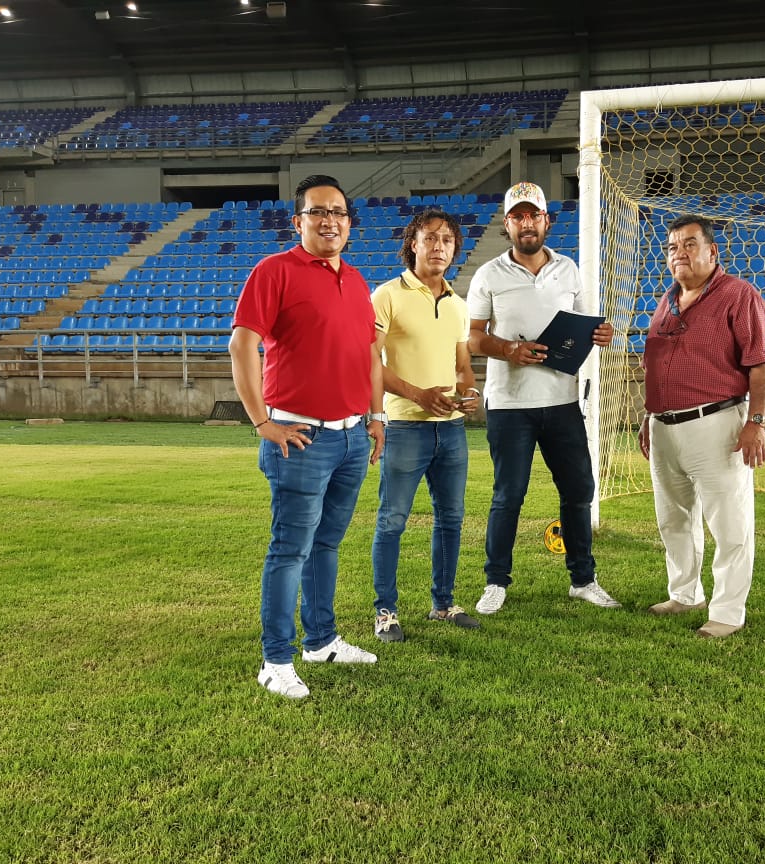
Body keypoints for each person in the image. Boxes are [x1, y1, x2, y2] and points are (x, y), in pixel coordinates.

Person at [230, 174, 388, 699]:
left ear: (349, 223)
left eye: (339, 212)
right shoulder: (274, 271)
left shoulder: (358, 279)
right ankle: (276, 659)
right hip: (300, 438)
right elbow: (241, 346)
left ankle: (321, 640)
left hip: (349, 439)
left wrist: (375, 416)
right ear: (297, 221)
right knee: (289, 550)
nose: (329, 220)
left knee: (327, 545)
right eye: (318, 212)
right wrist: (262, 422)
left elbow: (368, 354)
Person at [466, 181, 619, 615]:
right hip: (511, 404)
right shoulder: (488, 274)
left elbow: (589, 325)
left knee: (578, 491)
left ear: (547, 220)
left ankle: (583, 579)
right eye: (517, 216)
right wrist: (510, 350)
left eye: (533, 214)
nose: (526, 222)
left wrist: (600, 334)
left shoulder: (569, 270)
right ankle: (496, 581)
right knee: (507, 495)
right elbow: (473, 339)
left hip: (562, 401)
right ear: (507, 224)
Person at [638, 214, 765, 639]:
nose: (679, 253)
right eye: (672, 248)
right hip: (664, 427)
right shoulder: (666, 302)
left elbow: (762, 363)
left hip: (716, 422)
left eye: (689, 244)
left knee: (730, 524)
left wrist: (755, 422)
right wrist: (649, 417)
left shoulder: (739, 295)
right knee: (673, 518)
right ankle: (685, 593)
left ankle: (728, 612)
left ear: (712, 251)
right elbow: (656, 367)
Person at [369, 209, 482, 642]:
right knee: (392, 520)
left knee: (451, 518)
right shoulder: (387, 296)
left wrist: (467, 393)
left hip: (451, 430)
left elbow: (463, 367)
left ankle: (443, 603)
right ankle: (385, 611)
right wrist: (418, 396)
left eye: (447, 240)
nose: (439, 247)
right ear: (412, 244)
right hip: (403, 427)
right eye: (430, 238)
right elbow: (370, 363)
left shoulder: (458, 304)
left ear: (455, 249)